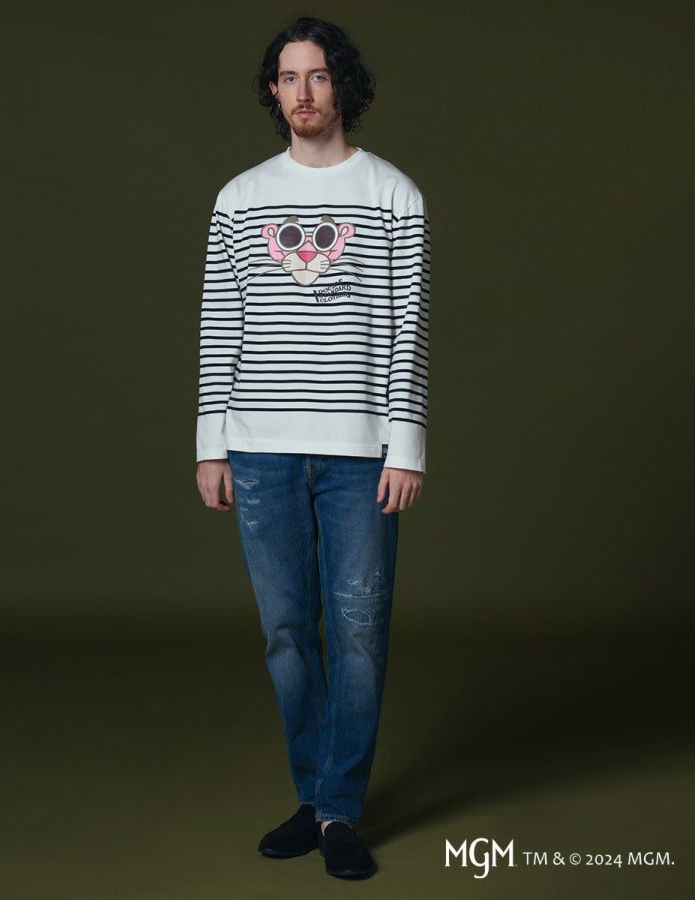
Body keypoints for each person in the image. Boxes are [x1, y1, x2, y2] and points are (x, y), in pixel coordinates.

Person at [195, 16, 430, 880]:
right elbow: (220, 325)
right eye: (289, 77)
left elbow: (408, 330)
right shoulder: (239, 198)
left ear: (343, 87)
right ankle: (313, 793)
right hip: (259, 451)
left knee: (359, 633)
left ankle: (339, 811)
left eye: (319, 75)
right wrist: (211, 444)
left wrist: (406, 447)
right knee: (288, 632)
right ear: (273, 90)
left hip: (361, 454)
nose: (303, 92)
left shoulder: (394, 195)